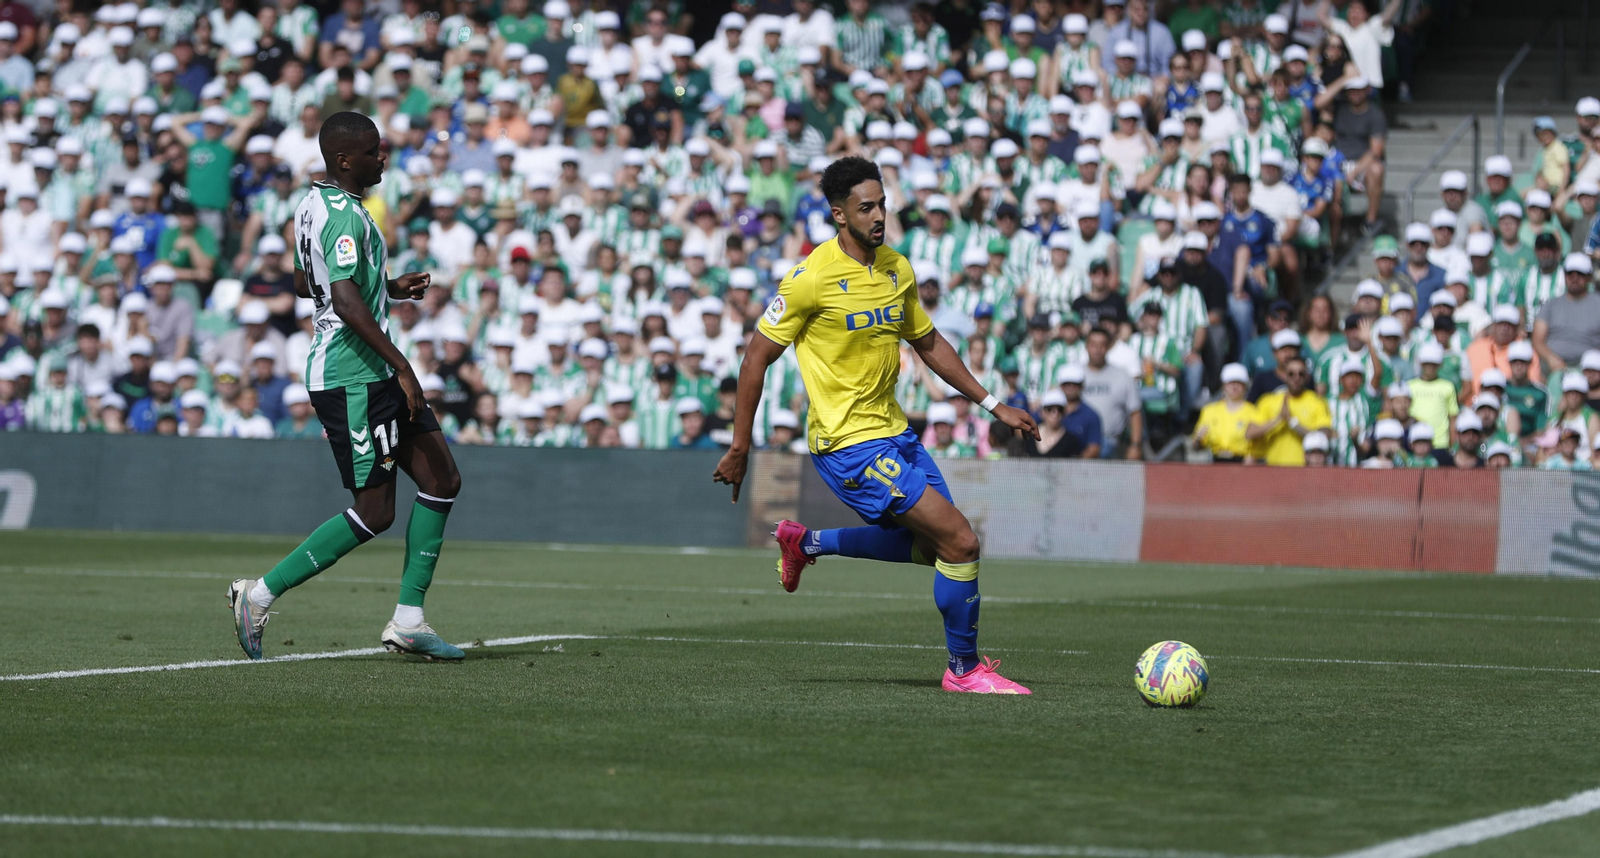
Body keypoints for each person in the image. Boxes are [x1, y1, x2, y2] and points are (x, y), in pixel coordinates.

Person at [712, 156, 1040, 694]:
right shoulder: (808, 280)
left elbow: (928, 342)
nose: (879, 215)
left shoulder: (896, 268)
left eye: (882, 204)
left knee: (938, 548)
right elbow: (754, 359)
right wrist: (740, 445)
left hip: (895, 433)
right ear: (839, 215)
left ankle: (807, 544)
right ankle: (963, 671)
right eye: (866, 208)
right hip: (846, 445)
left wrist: (992, 404)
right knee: (960, 541)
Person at [227, 112, 464, 664]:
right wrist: (404, 367)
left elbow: (306, 281)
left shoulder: (314, 205)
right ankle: (257, 596)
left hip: (367, 368)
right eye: (375, 151)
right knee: (375, 510)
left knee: (443, 478)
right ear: (345, 159)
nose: (384, 158)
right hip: (352, 375)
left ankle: (409, 621)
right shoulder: (339, 213)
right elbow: (344, 301)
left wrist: (388, 285)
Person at [1245, 355, 1330, 465]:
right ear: (1284, 376)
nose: (1296, 378)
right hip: (1272, 467)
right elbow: (1250, 433)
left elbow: (1324, 436)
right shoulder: (1268, 401)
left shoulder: (1317, 402)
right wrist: (1278, 419)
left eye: (1301, 374)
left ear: (1307, 377)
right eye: (1291, 374)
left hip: (1304, 469)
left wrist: (1293, 423)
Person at [1193, 362, 1255, 462]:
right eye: (1231, 382)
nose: (1235, 386)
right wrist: (1199, 439)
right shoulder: (1209, 411)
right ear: (1224, 385)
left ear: (1245, 386)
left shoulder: (1253, 412)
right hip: (1216, 461)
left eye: (1239, 383)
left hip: (1242, 462)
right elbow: (1196, 446)